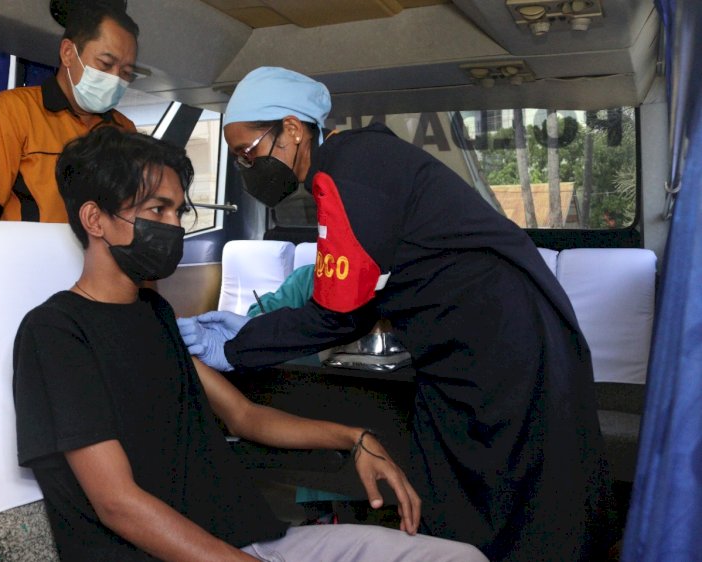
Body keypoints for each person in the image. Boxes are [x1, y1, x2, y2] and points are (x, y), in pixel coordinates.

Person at [177, 66, 617, 561]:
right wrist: (253, 331)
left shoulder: (348, 171)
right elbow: (357, 302)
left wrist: (237, 347)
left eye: (247, 152)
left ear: (293, 129)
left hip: (502, 346)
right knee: (470, 479)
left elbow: (339, 314)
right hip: (482, 344)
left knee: (521, 491)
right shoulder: (358, 162)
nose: (245, 166)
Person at [12, 126, 486, 562]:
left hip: (247, 539)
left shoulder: (153, 314)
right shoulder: (56, 333)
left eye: (179, 211)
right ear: (95, 218)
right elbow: (118, 504)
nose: (174, 226)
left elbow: (245, 416)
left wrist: (355, 437)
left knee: (461, 558)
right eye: (158, 210)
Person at [0, 2, 137, 221]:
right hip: (26, 254)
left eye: (126, 73)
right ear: (68, 53)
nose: (115, 78)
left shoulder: (125, 130)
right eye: (106, 64)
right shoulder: (8, 113)